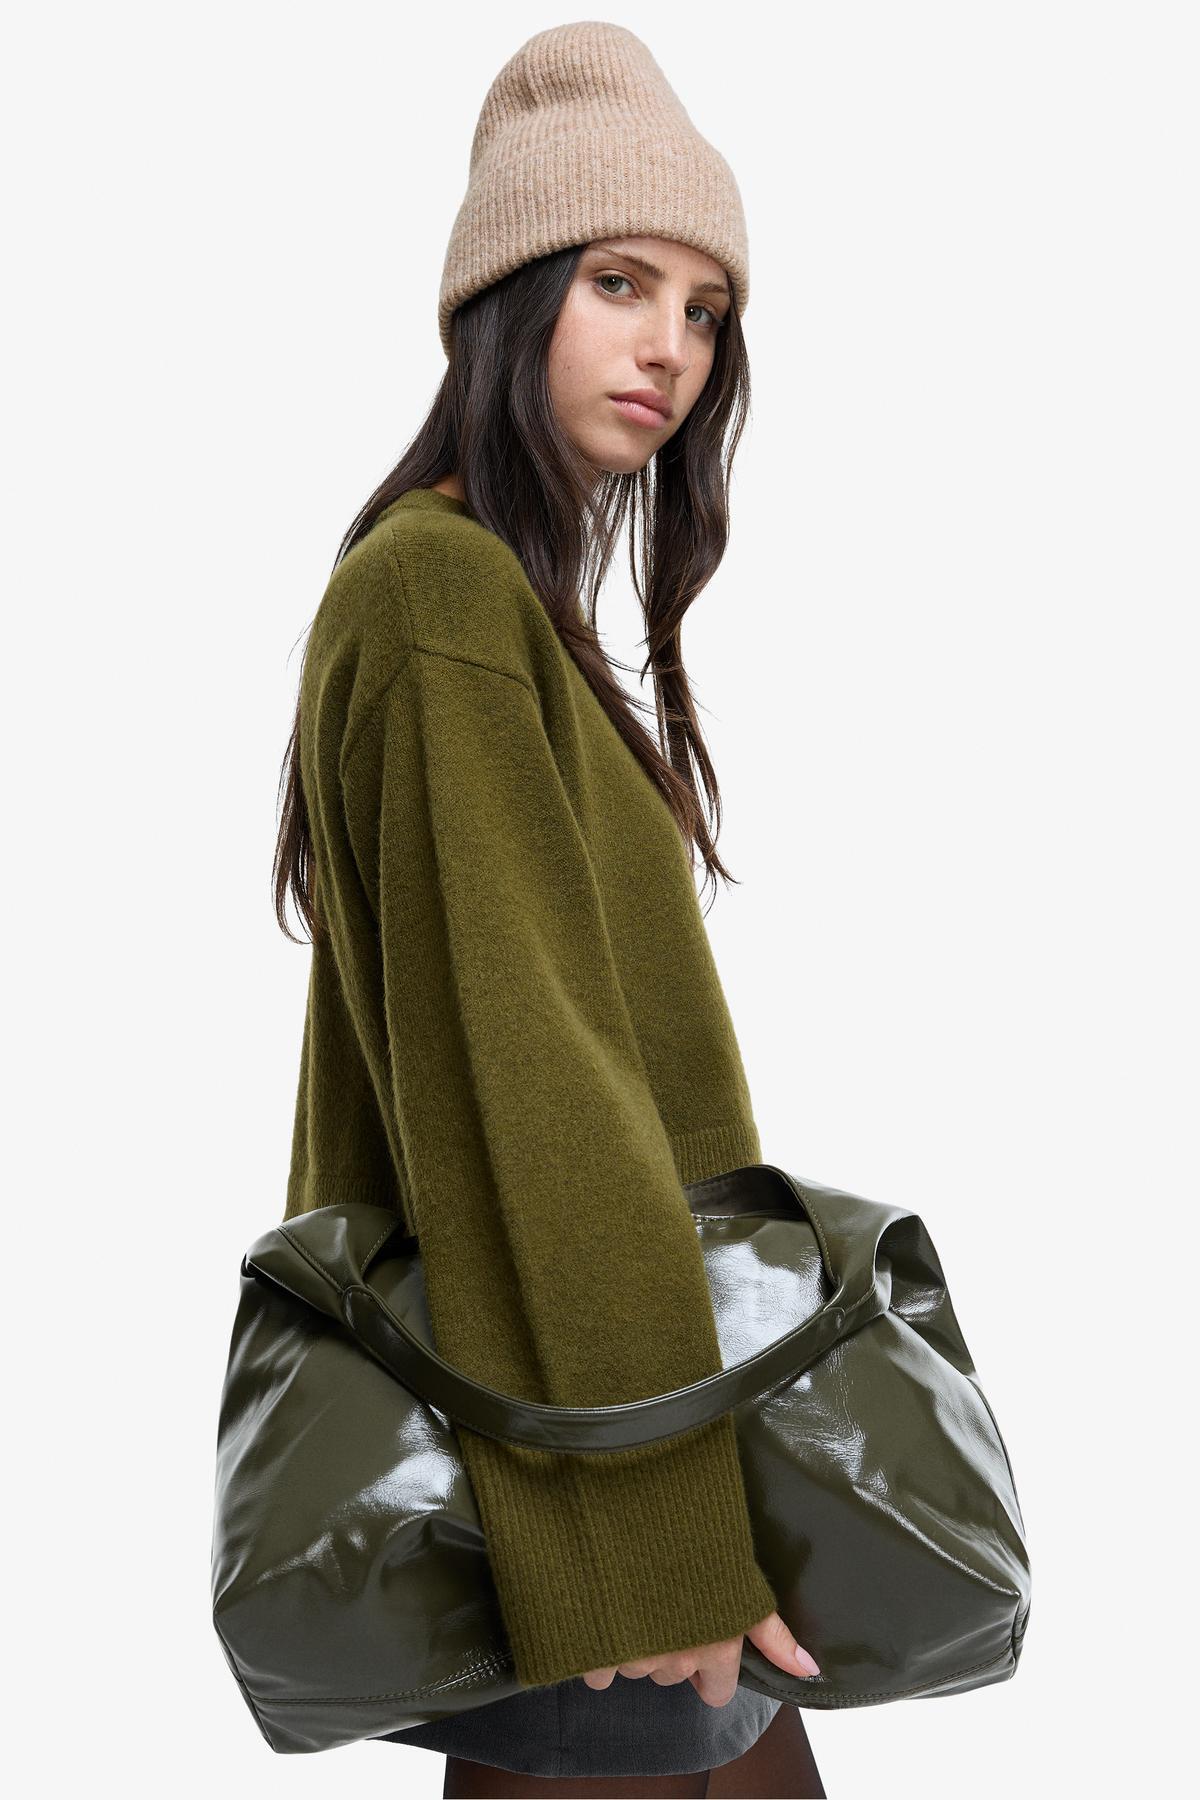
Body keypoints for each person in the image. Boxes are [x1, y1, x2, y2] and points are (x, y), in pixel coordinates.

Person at [273, 20, 827, 1799]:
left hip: (606, 1457)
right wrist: (655, 1537)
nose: (673, 347)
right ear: (509, 298)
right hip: (596, 1495)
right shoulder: (441, 597)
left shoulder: (494, 600)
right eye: (618, 283)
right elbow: (531, 1104)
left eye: (706, 309)